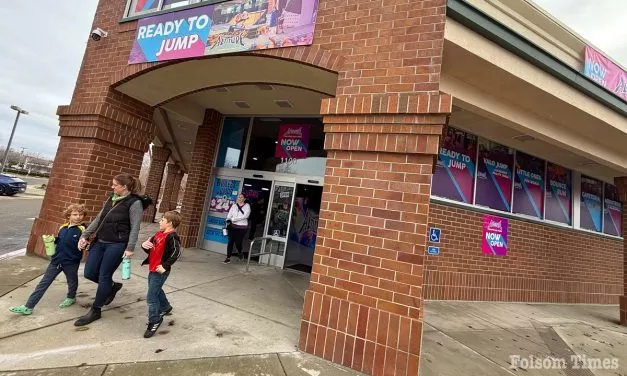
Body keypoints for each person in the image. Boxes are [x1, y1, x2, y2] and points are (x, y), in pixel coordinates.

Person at [74, 173, 144, 326]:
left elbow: (135, 227)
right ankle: (112, 286)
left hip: (117, 245)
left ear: (124, 187)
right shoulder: (110, 198)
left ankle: (96, 310)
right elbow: (99, 218)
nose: (112, 187)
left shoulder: (134, 203)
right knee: (89, 272)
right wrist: (85, 235)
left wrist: (130, 247)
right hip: (100, 241)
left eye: (115, 185)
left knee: (104, 275)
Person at [9, 204, 87, 315]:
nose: (78, 217)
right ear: (68, 216)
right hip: (56, 261)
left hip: (71, 262)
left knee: (72, 281)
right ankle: (28, 307)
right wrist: (53, 240)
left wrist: (86, 243)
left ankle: (71, 297)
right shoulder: (63, 227)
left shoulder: (83, 229)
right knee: (43, 283)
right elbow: (60, 241)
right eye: (75, 214)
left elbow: (86, 243)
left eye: (81, 214)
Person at [140, 210, 182, 338]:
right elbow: (151, 248)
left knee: (151, 297)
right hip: (153, 268)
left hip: (160, 270)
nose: (160, 221)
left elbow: (176, 253)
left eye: (162, 219)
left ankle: (155, 320)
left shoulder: (172, 236)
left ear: (169, 223)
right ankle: (165, 306)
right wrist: (144, 245)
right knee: (156, 290)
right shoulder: (158, 234)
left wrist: (165, 265)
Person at [223, 193, 250, 264]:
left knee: (238, 242)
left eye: (241, 197)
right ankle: (228, 257)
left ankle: (240, 252)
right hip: (232, 226)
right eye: (239, 197)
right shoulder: (234, 205)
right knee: (230, 242)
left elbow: (245, 216)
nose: (240, 199)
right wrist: (228, 219)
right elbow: (229, 214)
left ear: (244, 199)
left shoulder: (247, 206)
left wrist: (234, 219)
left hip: (242, 227)